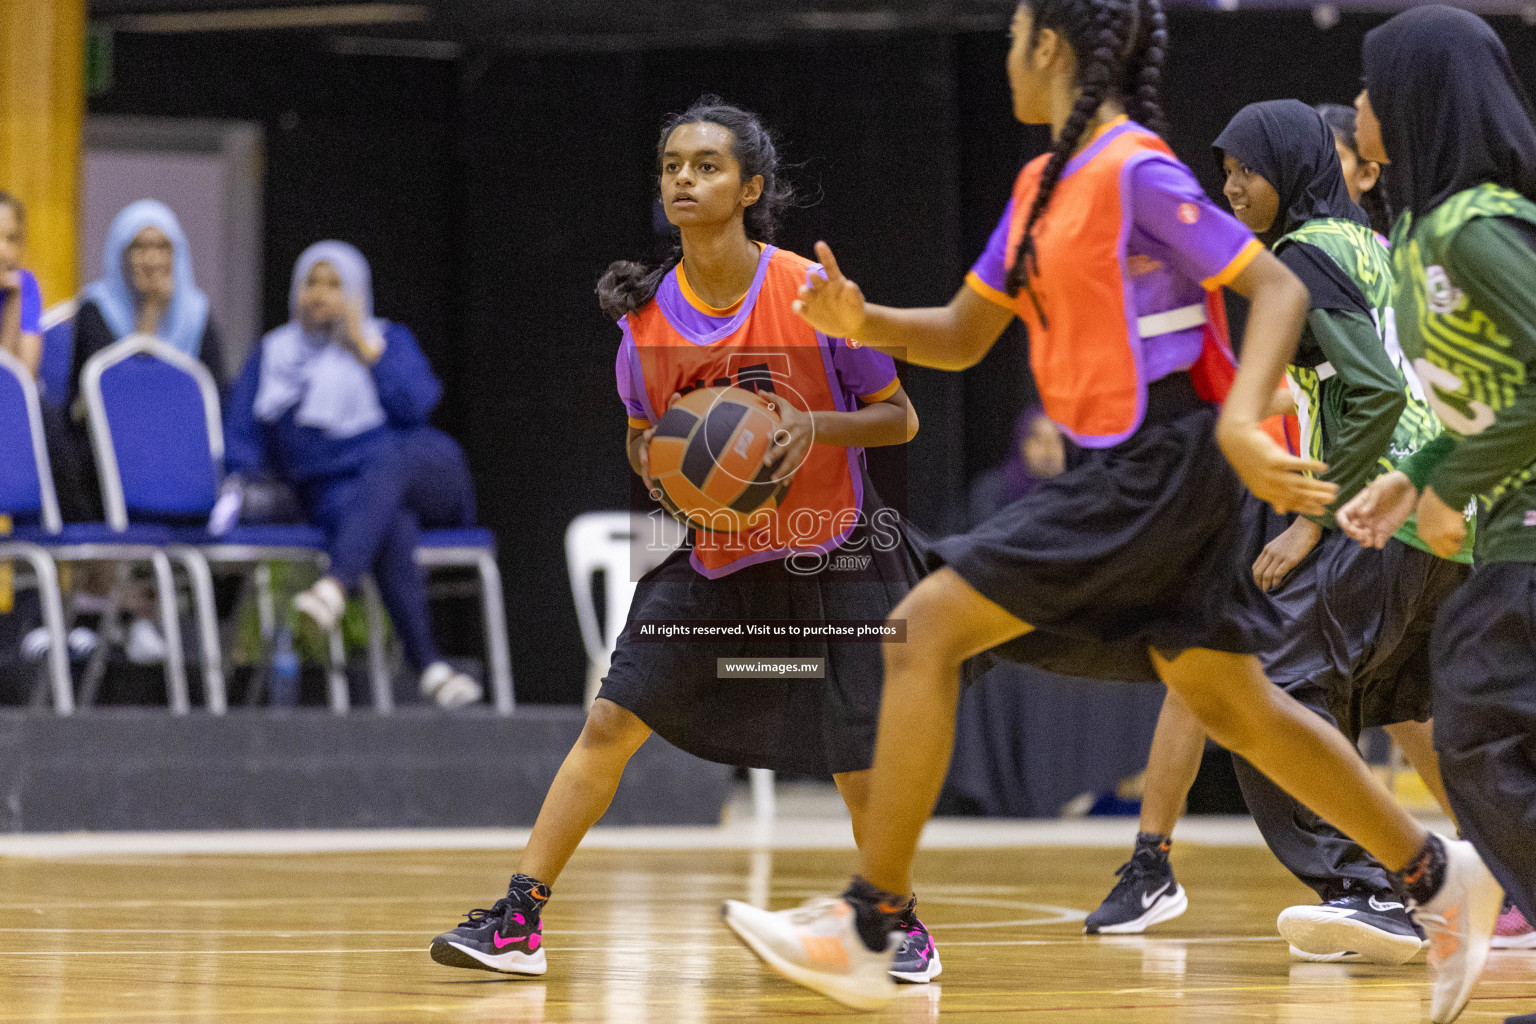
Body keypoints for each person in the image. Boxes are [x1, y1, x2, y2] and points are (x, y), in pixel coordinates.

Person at [719, 3, 1500, 1018]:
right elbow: (961, 335)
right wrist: (863, 320)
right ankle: (1438, 877)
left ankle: (874, 922)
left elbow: (1274, 290)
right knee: (1232, 701)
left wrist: (1236, 425)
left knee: (921, 628)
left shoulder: (1137, 170)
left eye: (1012, 36)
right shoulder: (1041, 185)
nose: (1005, 55)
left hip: (1162, 462)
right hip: (1138, 466)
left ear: (1049, 47)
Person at [429, 98, 946, 985]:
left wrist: (807, 428)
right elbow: (641, 442)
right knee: (609, 720)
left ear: (751, 188)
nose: (683, 179)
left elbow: (899, 418)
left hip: (831, 553)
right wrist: (674, 464)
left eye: (706, 166)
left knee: (857, 764)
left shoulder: (806, 294)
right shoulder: (645, 323)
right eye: (672, 165)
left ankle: (899, 928)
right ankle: (517, 917)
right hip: (716, 556)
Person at [1085, 99, 1470, 968]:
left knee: (1265, 700)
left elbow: (1370, 395)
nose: (1231, 186)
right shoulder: (1370, 245)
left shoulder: (1305, 258)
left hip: (1379, 513)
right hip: (1440, 516)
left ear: (1291, 169)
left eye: (1246, 169)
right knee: (1397, 703)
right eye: (1222, 169)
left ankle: (1376, 889)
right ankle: (1468, 882)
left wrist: (1308, 519)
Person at [1338, 7, 1536, 1018]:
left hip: (1525, 529)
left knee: (1472, 722)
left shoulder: (1479, 226)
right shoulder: (1421, 234)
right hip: (1504, 526)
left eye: (1370, 90)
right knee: (1478, 727)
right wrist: (1418, 477)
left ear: (1411, 102)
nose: (1359, 107)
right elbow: (1490, 397)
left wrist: (1447, 485)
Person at [223, 241, 483, 709]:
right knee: (392, 525)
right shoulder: (275, 354)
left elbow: (417, 406)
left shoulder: (386, 338)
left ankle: (334, 585)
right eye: (311, 282)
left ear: (357, 291)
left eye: (334, 283)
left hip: (427, 477)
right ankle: (430, 666)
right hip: (336, 494)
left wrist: (364, 347)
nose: (321, 294)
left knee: (395, 455)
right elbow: (241, 436)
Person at [63, 200, 226, 664]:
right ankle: (110, 615)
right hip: (104, 455)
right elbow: (109, 396)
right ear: (119, 252)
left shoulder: (197, 314)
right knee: (82, 459)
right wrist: (151, 318)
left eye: (161, 247)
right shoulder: (96, 309)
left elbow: (218, 399)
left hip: (182, 460)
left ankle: (140, 617)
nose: (150, 259)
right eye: (138, 246)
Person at [1316, 103, 1393, 237]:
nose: (1313, 167)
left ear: (1366, 175)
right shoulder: (1276, 252)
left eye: (1332, 157)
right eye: (1303, 157)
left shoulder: (1383, 254)